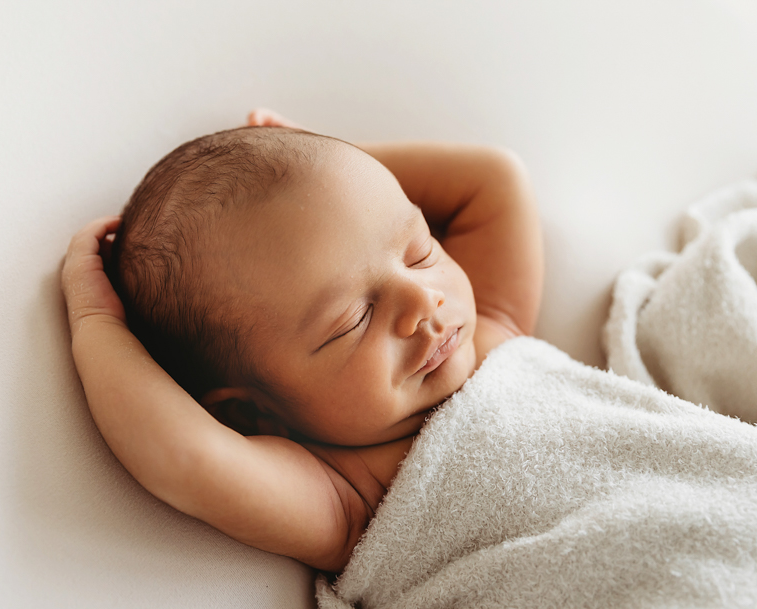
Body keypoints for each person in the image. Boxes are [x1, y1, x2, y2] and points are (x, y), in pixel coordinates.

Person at [60, 109, 543, 572]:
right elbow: (182, 457)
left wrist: (330, 163)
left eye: (419, 253)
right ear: (254, 414)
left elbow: (495, 180)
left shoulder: (496, 337)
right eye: (355, 320)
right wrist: (96, 319)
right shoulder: (350, 497)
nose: (424, 300)